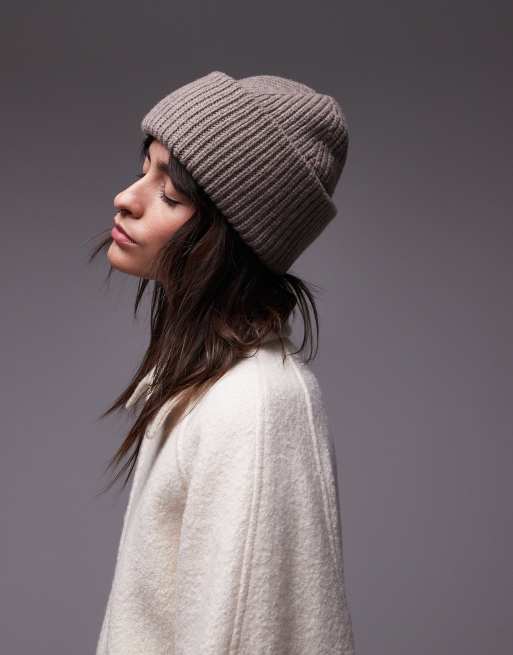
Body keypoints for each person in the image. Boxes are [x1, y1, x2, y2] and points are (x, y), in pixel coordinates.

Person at [90, 70, 355, 654]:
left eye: (170, 194)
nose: (127, 198)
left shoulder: (253, 404)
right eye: (144, 169)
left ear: (235, 236)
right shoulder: (201, 387)